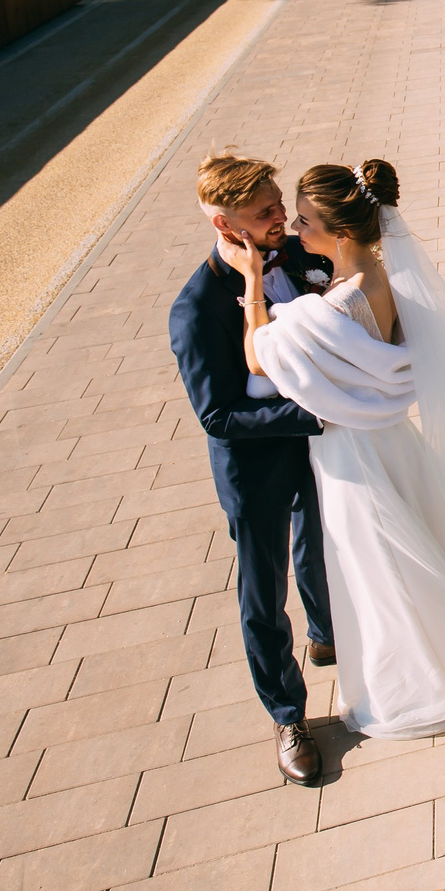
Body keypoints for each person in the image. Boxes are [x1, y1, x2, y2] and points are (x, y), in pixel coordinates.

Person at [227, 158, 445, 739]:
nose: (298, 233)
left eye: (305, 222)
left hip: (354, 457)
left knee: (379, 563)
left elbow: (259, 359)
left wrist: (252, 283)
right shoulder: (378, 276)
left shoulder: (340, 303)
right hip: (390, 440)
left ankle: (426, 675)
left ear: (342, 232)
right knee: (413, 542)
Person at [170, 152, 337, 787]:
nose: (280, 220)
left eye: (277, 205)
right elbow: (219, 416)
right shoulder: (194, 309)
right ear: (223, 225)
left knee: (322, 544)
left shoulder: (293, 256)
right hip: (256, 468)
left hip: (318, 450)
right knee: (263, 596)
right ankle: (288, 714)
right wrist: (314, 415)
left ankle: (325, 637)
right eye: (265, 212)